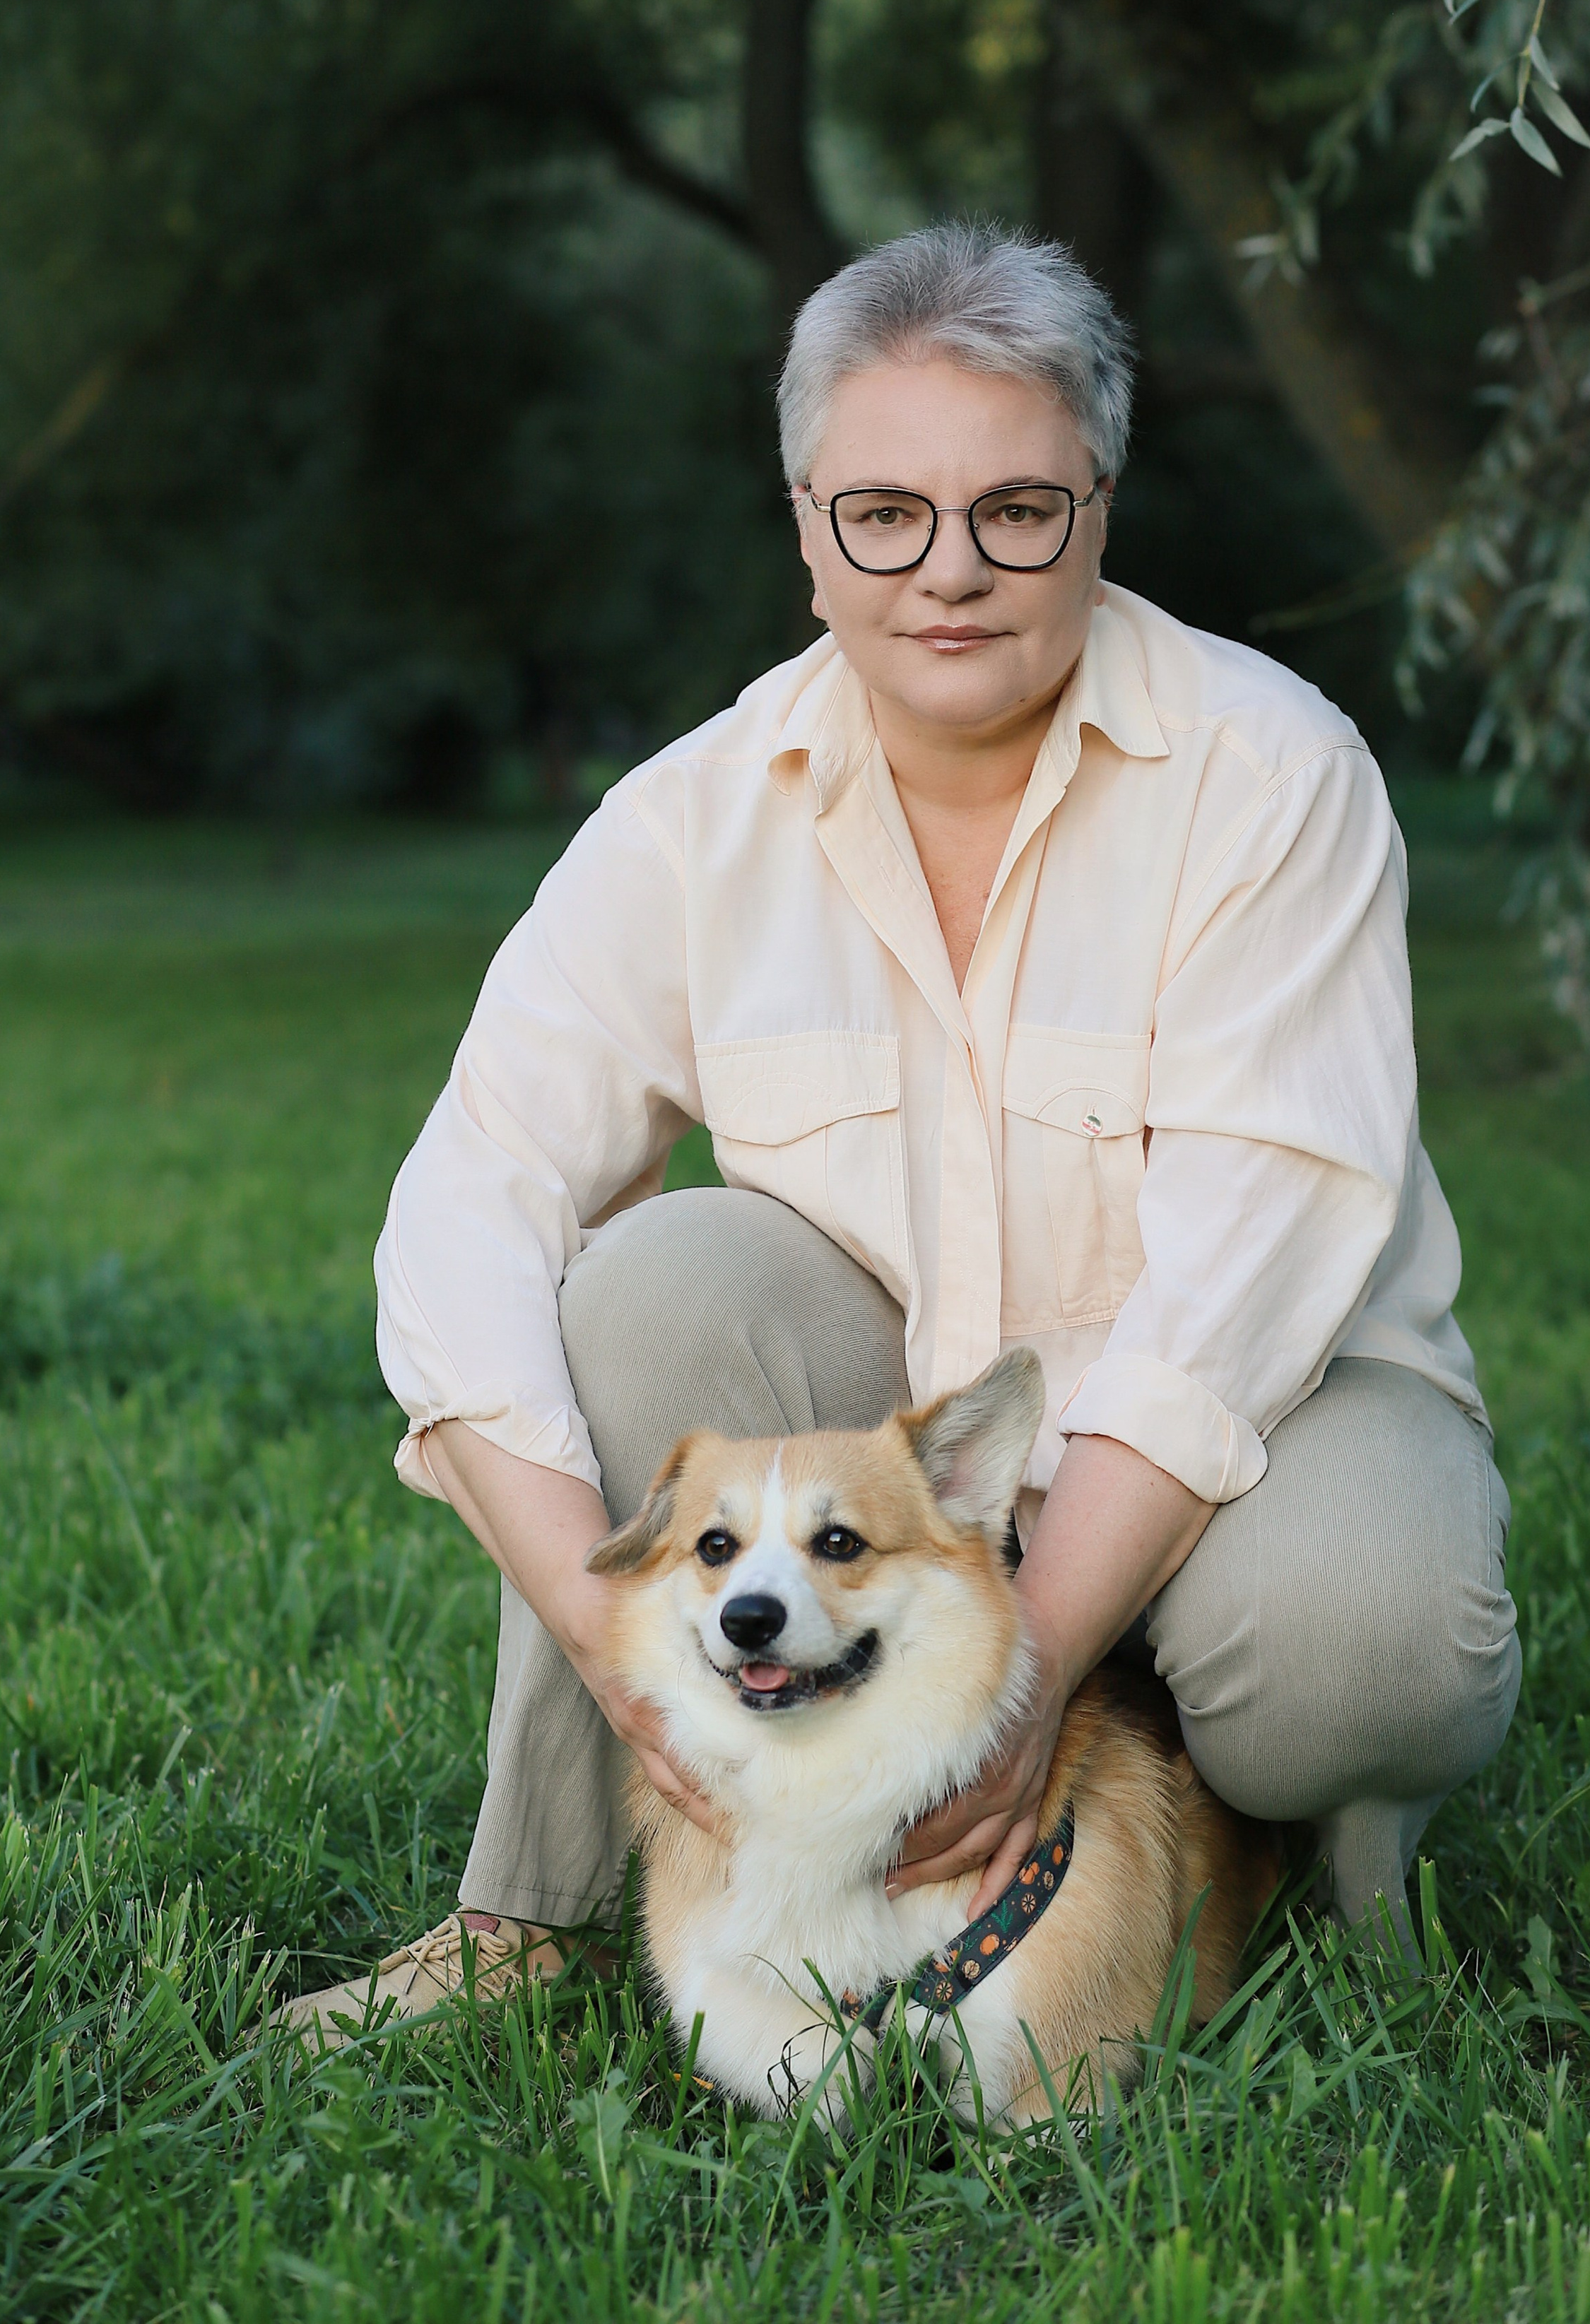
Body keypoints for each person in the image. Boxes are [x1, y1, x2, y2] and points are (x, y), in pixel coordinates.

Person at [283, 221, 1519, 2046]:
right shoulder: (694, 817)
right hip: (892, 1476)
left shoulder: (1273, 778)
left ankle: (1261, 1849)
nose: (950, 569)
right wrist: (612, 1639)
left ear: (1099, 512)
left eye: (1017, 511)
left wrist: (1021, 1683)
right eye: (884, 513)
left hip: (1268, 1418)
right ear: (806, 528)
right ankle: (527, 1912)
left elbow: (1236, 1300)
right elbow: (466, 1200)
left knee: (1372, 1630)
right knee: (630, 1288)